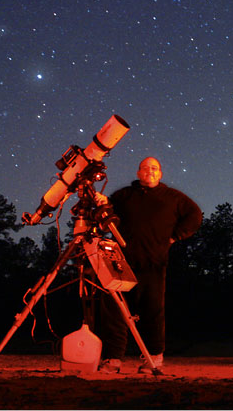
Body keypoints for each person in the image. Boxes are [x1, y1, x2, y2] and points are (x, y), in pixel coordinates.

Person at [93, 156, 202, 373]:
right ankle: (113, 359)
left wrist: (175, 236)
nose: (149, 171)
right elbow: (107, 217)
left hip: (154, 263)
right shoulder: (123, 196)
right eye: (145, 168)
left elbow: (195, 215)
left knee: (153, 310)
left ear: (160, 173)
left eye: (154, 168)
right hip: (121, 263)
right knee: (115, 310)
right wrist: (103, 204)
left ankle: (153, 357)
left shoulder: (173, 197)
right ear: (138, 173)